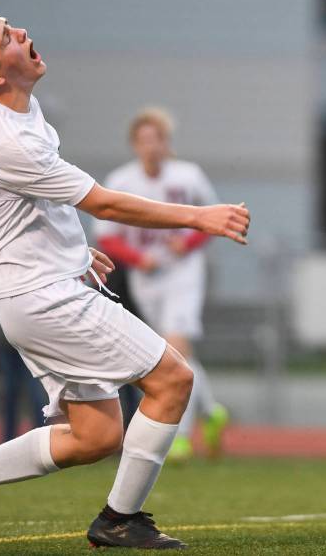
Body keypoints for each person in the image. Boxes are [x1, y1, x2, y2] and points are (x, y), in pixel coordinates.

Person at [0, 3, 250, 548]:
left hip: (33, 290)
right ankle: (119, 520)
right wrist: (199, 216)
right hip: (44, 299)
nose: (22, 31)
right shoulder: (11, 140)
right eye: (8, 35)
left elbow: (28, 203)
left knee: (97, 435)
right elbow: (104, 203)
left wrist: (73, 252)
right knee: (174, 380)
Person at [95, 109, 228, 460]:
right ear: (134, 144)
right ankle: (211, 410)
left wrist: (186, 244)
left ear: (167, 143)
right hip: (146, 279)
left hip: (184, 274)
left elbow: (213, 220)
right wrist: (138, 259)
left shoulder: (189, 176)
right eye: (144, 140)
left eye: (157, 140)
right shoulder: (122, 181)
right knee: (169, 355)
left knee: (177, 347)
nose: (151, 147)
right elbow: (106, 236)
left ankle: (181, 436)